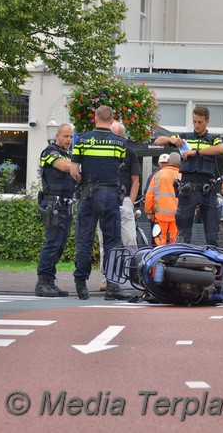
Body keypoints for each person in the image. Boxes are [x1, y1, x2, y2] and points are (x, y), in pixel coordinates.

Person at [70, 105, 132, 301]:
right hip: (110, 195)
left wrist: (83, 179)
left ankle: (81, 285)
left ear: (95, 119)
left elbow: (73, 170)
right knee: (112, 241)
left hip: (88, 194)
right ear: (112, 120)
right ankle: (112, 285)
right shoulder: (120, 143)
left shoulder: (82, 140)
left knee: (84, 240)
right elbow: (119, 165)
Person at [153, 106, 223, 245]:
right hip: (188, 188)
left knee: (212, 232)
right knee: (183, 232)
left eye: (200, 122)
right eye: (194, 121)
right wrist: (172, 139)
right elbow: (158, 141)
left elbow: (221, 148)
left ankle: (213, 264)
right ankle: (182, 261)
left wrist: (196, 152)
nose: (197, 125)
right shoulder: (184, 137)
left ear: (207, 121)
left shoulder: (213, 138)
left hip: (207, 188)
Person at [97, 121, 141, 291]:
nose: (113, 138)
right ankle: (105, 277)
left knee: (130, 239)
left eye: (116, 136)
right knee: (104, 240)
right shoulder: (104, 151)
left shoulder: (130, 153)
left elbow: (135, 179)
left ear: (123, 137)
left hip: (123, 201)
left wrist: (130, 200)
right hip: (106, 200)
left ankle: (132, 275)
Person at [35, 124, 75, 297]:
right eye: (65, 136)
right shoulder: (49, 152)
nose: (68, 140)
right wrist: (81, 166)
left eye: (71, 137)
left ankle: (50, 281)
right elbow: (64, 167)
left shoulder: (68, 155)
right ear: (57, 136)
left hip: (65, 204)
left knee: (60, 244)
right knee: (52, 243)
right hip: (53, 204)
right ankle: (42, 282)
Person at [145, 152, 181, 245]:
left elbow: (150, 194)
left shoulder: (158, 175)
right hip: (177, 215)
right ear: (179, 162)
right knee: (174, 238)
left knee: (160, 237)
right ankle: (174, 256)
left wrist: (149, 211)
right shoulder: (183, 175)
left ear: (168, 161)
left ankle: (161, 256)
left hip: (160, 214)